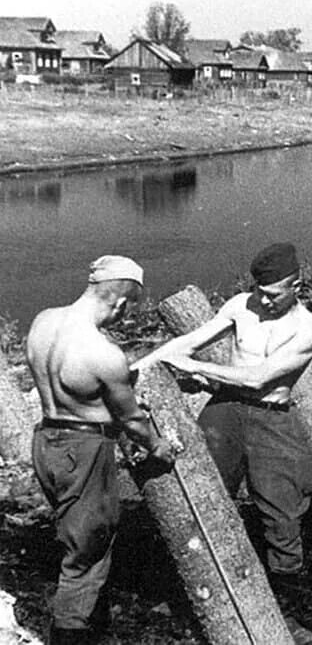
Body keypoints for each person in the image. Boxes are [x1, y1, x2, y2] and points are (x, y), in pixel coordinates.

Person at [132, 243, 312, 643]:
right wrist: (138, 369)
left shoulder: (309, 329)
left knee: (281, 510)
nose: (264, 302)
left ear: (297, 286)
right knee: (202, 490)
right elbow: (188, 344)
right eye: (260, 293)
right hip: (226, 410)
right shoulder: (241, 304)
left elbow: (260, 378)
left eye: (274, 295)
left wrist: (198, 367)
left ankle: (285, 610)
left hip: (272, 417)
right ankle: (188, 588)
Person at [26, 255, 176, 645]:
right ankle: (70, 634)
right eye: (126, 310)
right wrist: (158, 446)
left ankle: (80, 615)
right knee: (88, 551)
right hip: (84, 449)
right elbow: (131, 420)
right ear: (120, 303)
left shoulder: (44, 321)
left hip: (45, 439)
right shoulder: (102, 353)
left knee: (71, 529)